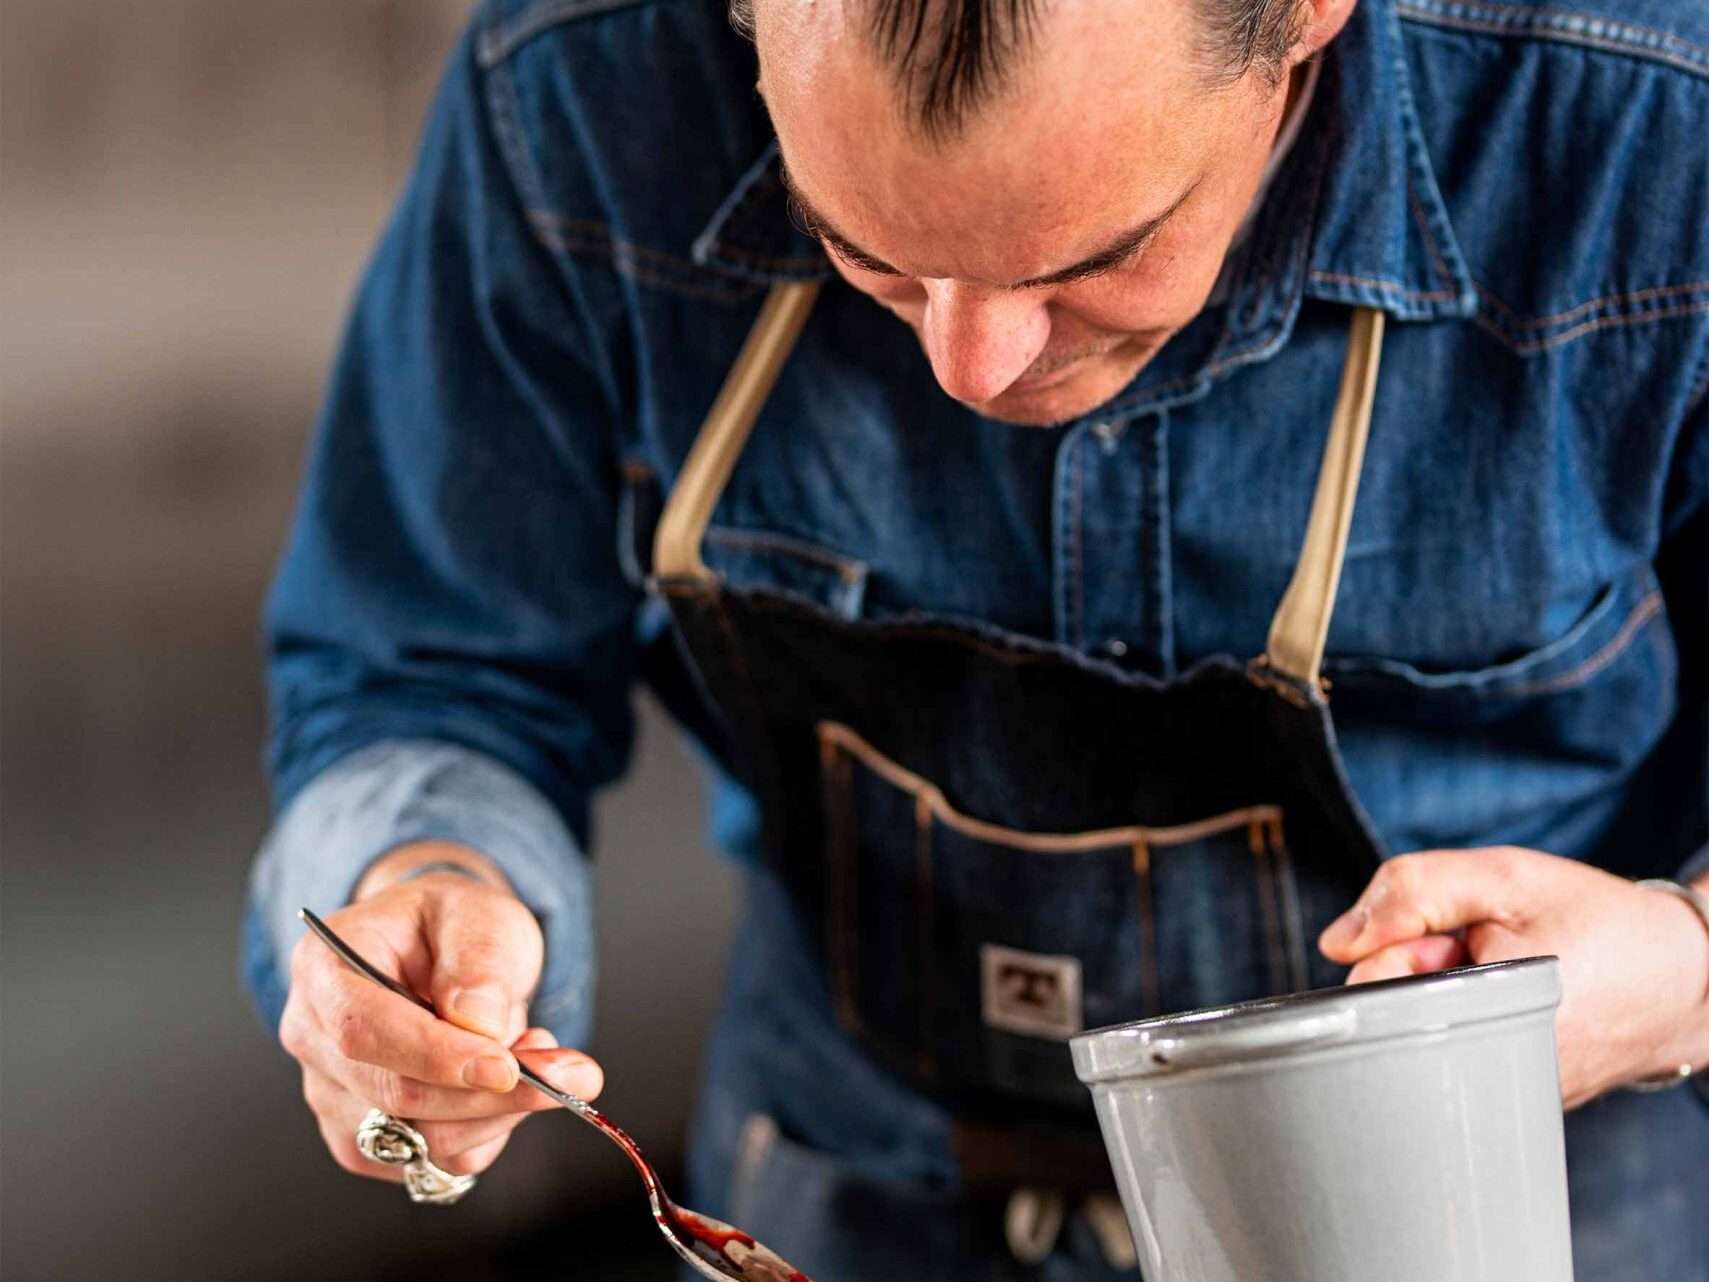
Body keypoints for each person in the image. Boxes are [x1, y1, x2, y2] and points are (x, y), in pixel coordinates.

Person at [244, 0, 1709, 1276]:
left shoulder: (1650, 127)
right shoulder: (573, 86)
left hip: (1514, 1200)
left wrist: (1684, 961)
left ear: (1301, 17)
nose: (968, 364)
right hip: (851, 1180)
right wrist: (426, 875)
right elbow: (425, 664)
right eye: (863, 253)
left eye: (1096, 256)